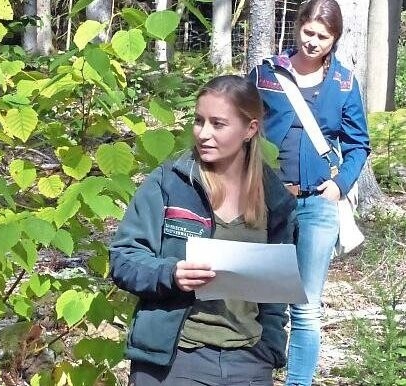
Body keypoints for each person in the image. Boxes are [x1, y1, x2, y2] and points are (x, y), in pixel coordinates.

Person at [109, 75, 297, 386]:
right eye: (199, 121)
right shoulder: (169, 182)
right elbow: (124, 258)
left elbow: (277, 293)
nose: (204, 134)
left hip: (249, 361)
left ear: (250, 130)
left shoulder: (275, 200)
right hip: (176, 358)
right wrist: (171, 274)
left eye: (218, 124)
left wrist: (270, 350)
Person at [248, 1, 371, 385]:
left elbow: (358, 144)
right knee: (266, 302)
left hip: (319, 205)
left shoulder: (344, 83)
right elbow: (241, 125)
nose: (313, 41)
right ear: (297, 26)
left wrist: (339, 186)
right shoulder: (265, 74)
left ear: (334, 40)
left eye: (323, 36)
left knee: (305, 307)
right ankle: (257, 375)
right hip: (268, 203)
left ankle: (298, 382)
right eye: (308, 32)